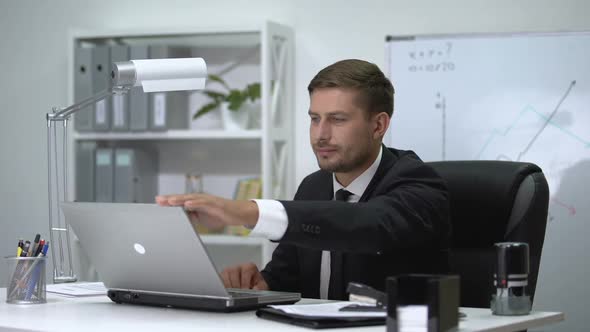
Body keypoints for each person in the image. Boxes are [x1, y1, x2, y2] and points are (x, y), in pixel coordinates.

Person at [156, 59, 451, 300]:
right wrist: (261, 283)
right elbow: (287, 276)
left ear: (378, 125)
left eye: (337, 120)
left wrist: (246, 211)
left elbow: (367, 223)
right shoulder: (314, 186)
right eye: (314, 118)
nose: (321, 134)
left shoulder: (418, 182)